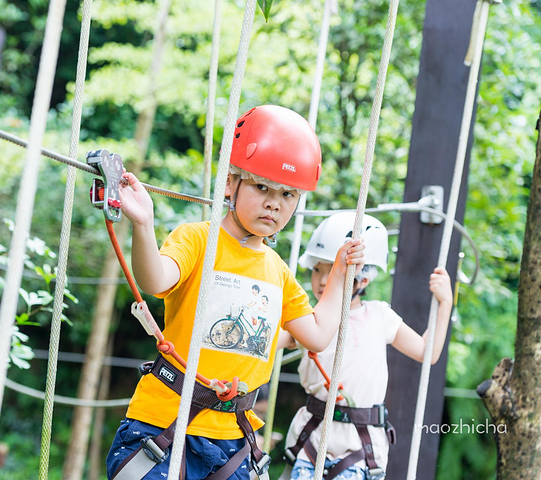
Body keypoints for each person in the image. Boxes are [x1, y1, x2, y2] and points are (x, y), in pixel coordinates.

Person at [105, 105, 366, 480]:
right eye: (262, 187)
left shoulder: (277, 271)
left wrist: (339, 272)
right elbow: (156, 280)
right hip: (163, 423)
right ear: (230, 183)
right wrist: (143, 225)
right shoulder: (198, 239)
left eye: (288, 194)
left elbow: (318, 334)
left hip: (232, 441)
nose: (274, 202)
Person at [278, 212, 453, 480]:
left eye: (333, 269)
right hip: (312, 439)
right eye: (317, 270)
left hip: (360, 446)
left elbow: (425, 351)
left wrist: (445, 304)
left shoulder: (379, 316)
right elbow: (267, 341)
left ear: (364, 279)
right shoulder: (308, 319)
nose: (323, 280)